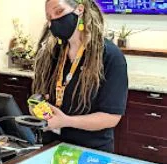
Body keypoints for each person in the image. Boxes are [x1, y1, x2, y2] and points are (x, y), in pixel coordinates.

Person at [32, 0, 128, 152]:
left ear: (79, 10)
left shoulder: (109, 56)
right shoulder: (53, 53)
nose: (54, 21)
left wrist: (66, 121)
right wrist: (38, 107)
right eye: (49, 18)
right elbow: (45, 94)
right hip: (52, 146)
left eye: (59, 12)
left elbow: (111, 117)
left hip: (91, 152)